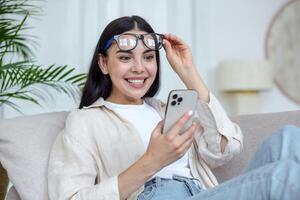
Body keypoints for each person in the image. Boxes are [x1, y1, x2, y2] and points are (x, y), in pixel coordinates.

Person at [48, 15, 300, 200]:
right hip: (158, 196)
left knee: (288, 138)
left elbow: (225, 149)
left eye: (148, 57)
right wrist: (151, 161)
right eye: (125, 58)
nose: (139, 67)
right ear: (103, 64)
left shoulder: (166, 109)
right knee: (282, 177)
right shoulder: (83, 122)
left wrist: (188, 73)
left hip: (200, 193)